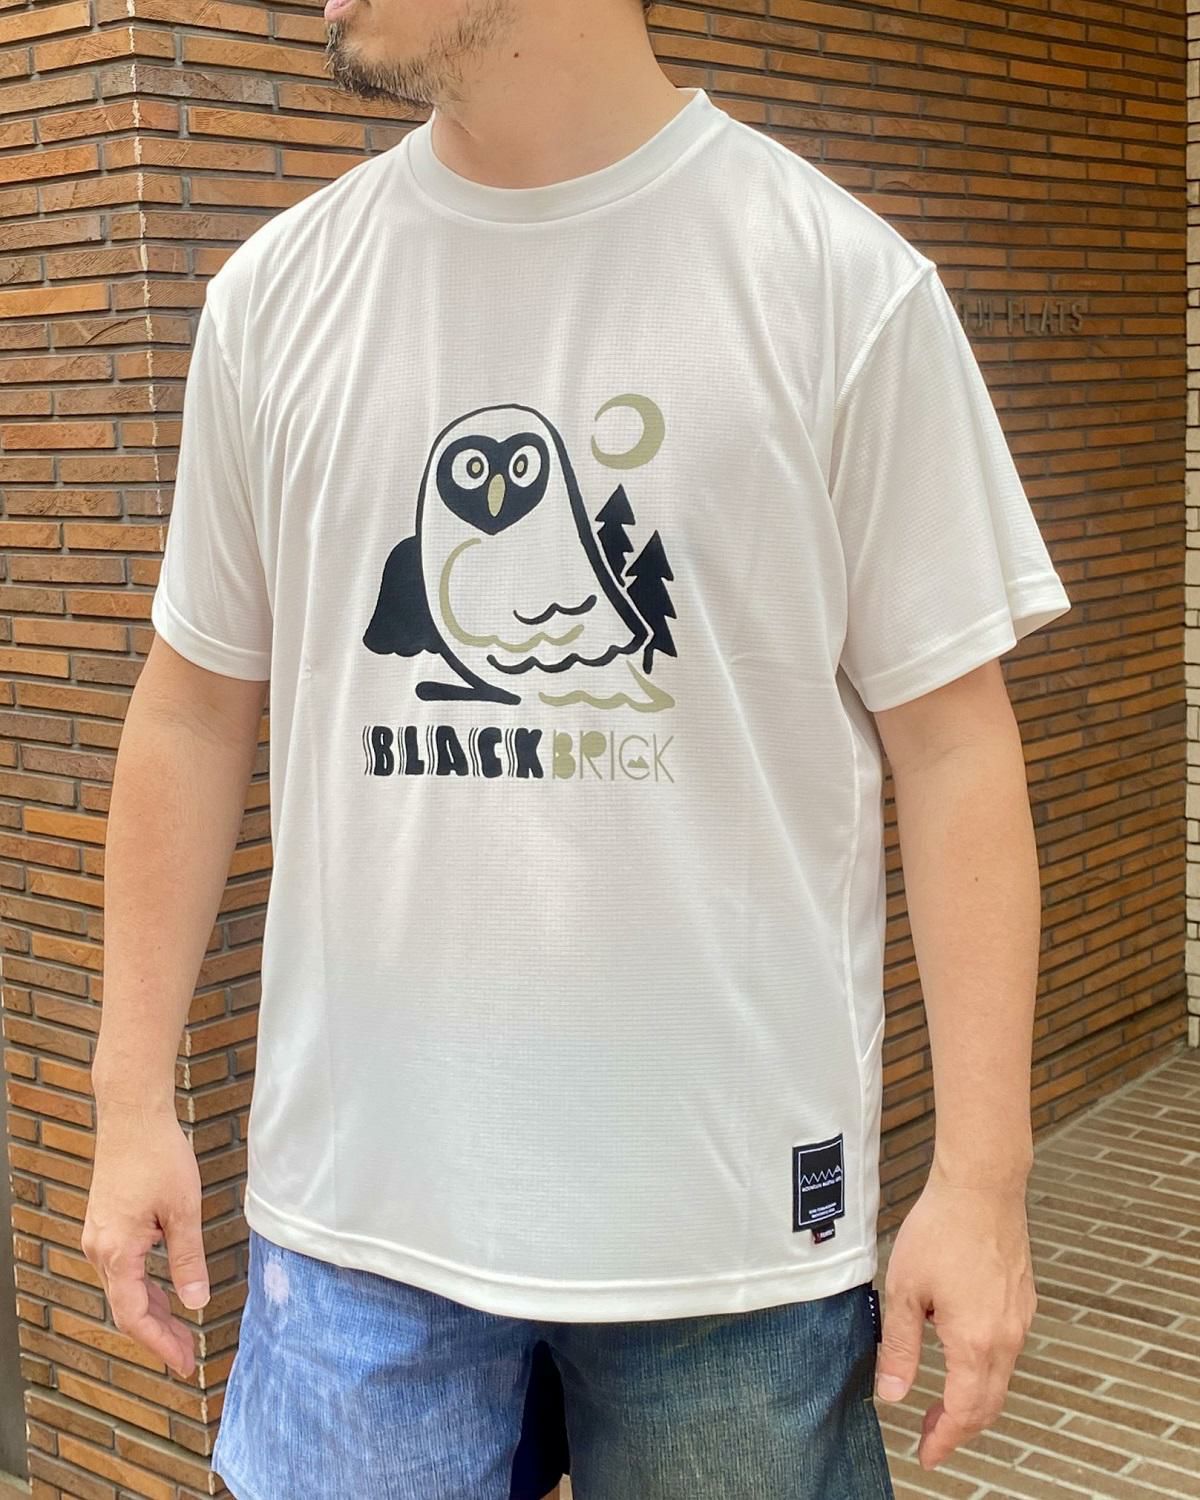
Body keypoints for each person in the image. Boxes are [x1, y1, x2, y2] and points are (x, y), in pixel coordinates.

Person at [83, 0, 1071, 1496]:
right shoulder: (276, 298)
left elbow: (956, 756)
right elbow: (191, 707)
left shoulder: (837, 284)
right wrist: (129, 1099)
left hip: (730, 1247)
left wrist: (984, 1180)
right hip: (354, 1228)